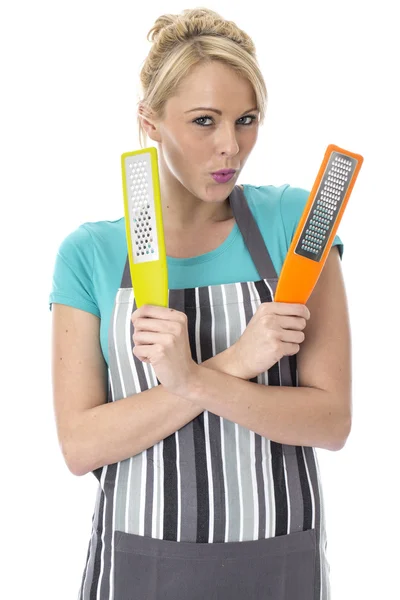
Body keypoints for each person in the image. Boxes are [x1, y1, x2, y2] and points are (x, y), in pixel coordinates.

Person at [49, 7, 351, 600]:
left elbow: (332, 422)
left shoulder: (296, 220)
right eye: (204, 121)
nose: (229, 148)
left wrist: (196, 378)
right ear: (150, 122)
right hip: (140, 561)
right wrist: (236, 362)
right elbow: (81, 446)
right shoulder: (91, 253)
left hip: (279, 556)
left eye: (246, 120)